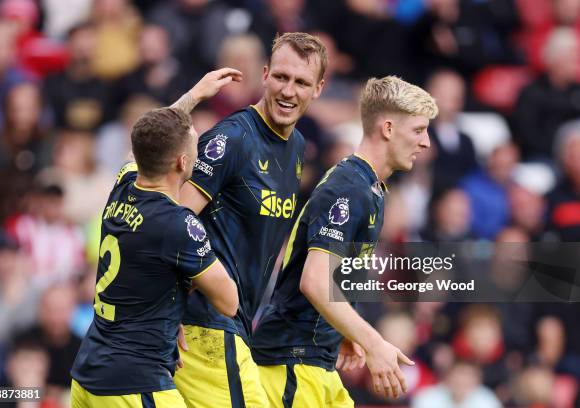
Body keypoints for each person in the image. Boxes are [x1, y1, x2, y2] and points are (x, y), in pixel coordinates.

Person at [251, 76, 438, 406]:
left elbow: (336, 278)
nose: (426, 143)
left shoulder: (371, 189)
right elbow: (315, 281)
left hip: (315, 360)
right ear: (389, 128)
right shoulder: (348, 188)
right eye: (418, 130)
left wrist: (344, 330)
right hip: (291, 361)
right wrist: (375, 342)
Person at [70, 68, 241, 407]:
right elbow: (229, 301)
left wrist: (193, 96)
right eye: (194, 143)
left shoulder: (123, 181)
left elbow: (150, 139)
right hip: (135, 382)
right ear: (182, 161)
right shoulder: (179, 225)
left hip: (89, 374)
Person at [175, 32, 327, 407]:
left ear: (319, 88)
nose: (288, 91)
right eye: (281, 77)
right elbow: (170, 220)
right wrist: (163, 306)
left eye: (302, 82)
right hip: (203, 325)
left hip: (239, 325)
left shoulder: (296, 146)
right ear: (264, 75)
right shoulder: (232, 138)